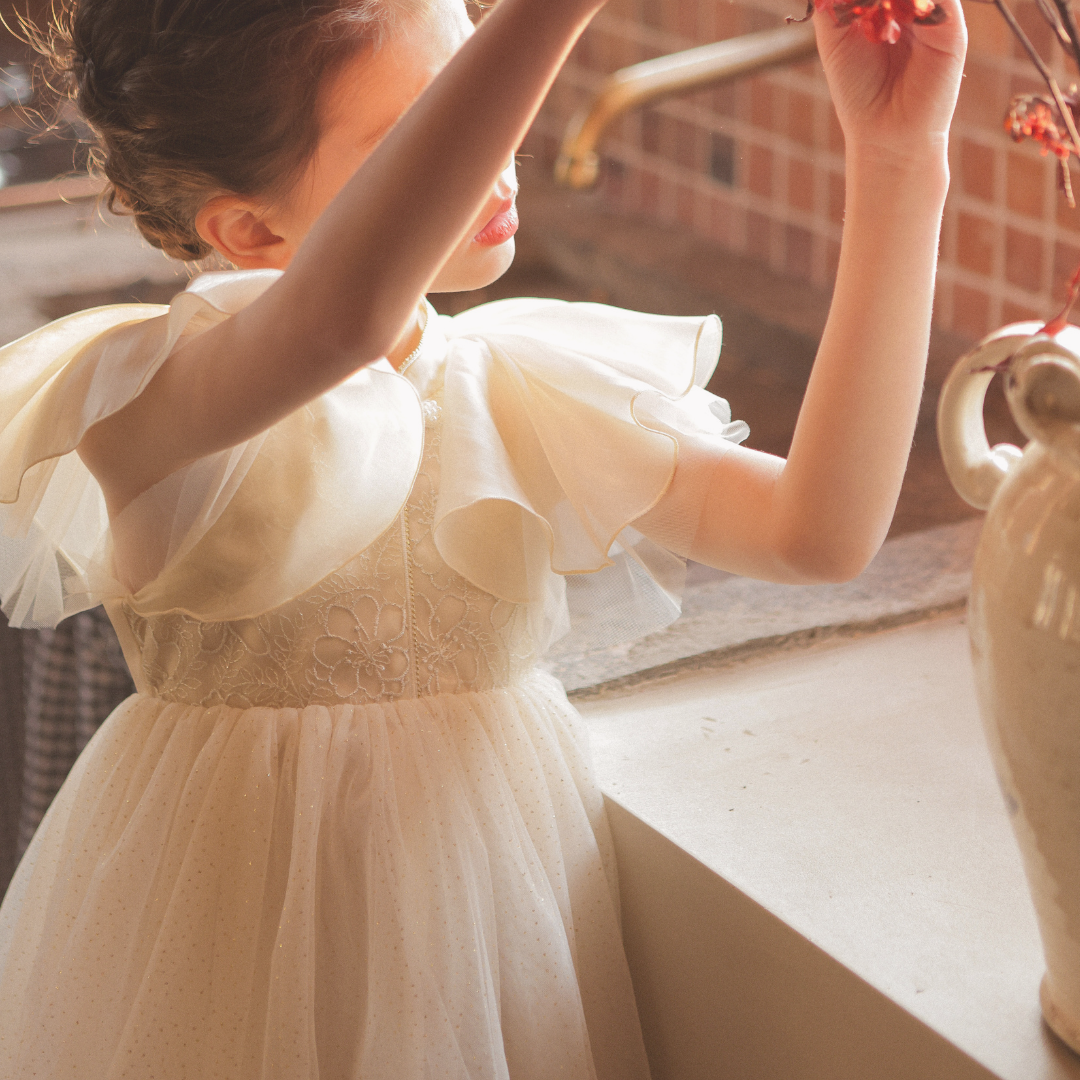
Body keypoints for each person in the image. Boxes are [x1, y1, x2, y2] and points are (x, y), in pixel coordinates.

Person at [0, 0, 966, 1073]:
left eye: (476, 89)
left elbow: (818, 535)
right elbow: (338, 320)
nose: (498, 151)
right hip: (226, 932)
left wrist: (899, 158)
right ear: (250, 232)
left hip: (495, 924)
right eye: (432, 129)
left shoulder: (514, 382)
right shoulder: (150, 399)